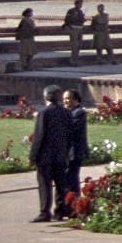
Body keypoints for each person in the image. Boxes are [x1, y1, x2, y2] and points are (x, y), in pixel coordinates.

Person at [29, 85, 73, 222]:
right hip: (61, 155)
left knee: (45, 185)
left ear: (46, 96)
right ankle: (59, 211)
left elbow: (39, 137)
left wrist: (32, 156)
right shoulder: (66, 113)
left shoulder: (44, 113)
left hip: (45, 156)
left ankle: (44, 212)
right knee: (60, 184)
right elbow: (69, 135)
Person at [62, 88, 89, 198]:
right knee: (69, 178)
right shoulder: (70, 112)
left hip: (75, 152)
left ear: (76, 99)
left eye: (68, 98)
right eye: (64, 99)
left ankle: (74, 203)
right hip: (68, 152)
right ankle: (72, 203)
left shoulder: (79, 112)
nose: (65, 101)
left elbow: (69, 128)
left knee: (71, 179)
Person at [14, 8, 36, 72]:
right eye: (31, 12)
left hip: (30, 38)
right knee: (24, 53)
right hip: (25, 38)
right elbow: (21, 30)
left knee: (30, 53)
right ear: (27, 13)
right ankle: (23, 66)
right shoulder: (24, 21)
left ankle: (28, 66)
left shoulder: (30, 20)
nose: (32, 14)